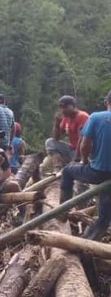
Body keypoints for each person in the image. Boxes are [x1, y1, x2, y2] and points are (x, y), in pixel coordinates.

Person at [60, 90, 111, 240]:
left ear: (106, 102)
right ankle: (87, 244)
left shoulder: (96, 117)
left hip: (97, 171)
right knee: (104, 218)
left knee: (67, 171)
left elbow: (85, 145)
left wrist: (84, 161)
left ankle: (63, 211)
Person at [44, 95, 89, 169]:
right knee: (50, 142)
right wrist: (56, 124)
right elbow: (56, 138)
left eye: (65, 107)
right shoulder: (65, 118)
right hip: (71, 150)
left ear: (73, 106)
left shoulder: (82, 116)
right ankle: (57, 166)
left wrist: (77, 158)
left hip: (82, 152)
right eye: (61, 107)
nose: (62, 110)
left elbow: (84, 140)